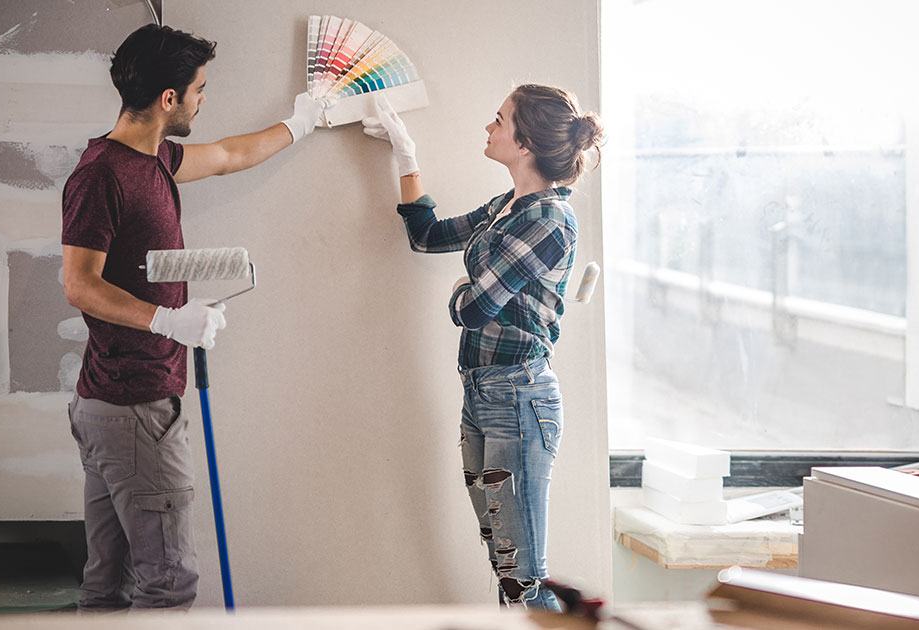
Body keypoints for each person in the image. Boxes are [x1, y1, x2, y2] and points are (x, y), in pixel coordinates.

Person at [60, 24, 330, 611]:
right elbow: (78, 285)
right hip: (134, 408)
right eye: (199, 89)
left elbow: (231, 155)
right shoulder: (102, 175)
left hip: (115, 404)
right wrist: (166, 321)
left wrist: (303, 120)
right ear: (169, 100)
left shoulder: (153, 158)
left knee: (109, 585)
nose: (204, 98)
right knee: (168, 585)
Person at [362, 85, 603, 610]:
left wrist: (459, 296)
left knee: (523, 577)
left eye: (499, 120)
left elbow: (474, 309)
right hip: (481, 395)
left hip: (518, 399)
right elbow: (426, 236)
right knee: (505, 564)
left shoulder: (548, 221)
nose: (488, 128)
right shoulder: (507, 206)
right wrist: (406, 155)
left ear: (526, 143)